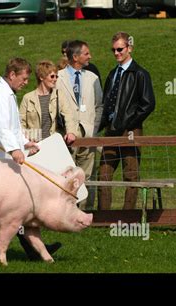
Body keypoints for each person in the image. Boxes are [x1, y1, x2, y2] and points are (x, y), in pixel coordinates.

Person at [0, 57, 62, 262]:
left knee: (14, 208)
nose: (26, 82)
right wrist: (15, 150)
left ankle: (34, 249)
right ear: (12, 74)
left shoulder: (6, 93)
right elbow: (1, 126)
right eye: (23, 78)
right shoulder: (0, 93)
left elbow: (11, 128)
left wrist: (25, 143)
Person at [97, 32, 155, 211]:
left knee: (131, 175)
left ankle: (128, 215)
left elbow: (148, 104)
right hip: (111, 130)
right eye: (113, 50)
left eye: (120, 49)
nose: (116, 53)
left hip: (130, 131)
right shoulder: (113, 73)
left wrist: (129, 123)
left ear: (129, 48)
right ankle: (103, 217)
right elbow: (107, 103)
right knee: (103, 175)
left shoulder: (140, 73)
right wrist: (101, 126)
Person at [56, 40, 104, 210]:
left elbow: (99, 106)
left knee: (87, 174)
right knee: (66, 174)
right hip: (66, 135)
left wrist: (93, 128)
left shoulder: (93, 78)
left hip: (88, 134)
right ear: (75, 57)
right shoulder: (58, 77)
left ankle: (85, 211)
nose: (90, 56)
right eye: (86, 53)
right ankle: (64, 211)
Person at [19, 60, 78, 144]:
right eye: (52, 76)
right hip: (34, 145)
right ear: (41, 77)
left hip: (54, 143)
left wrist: (71, 132)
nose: (55, 79)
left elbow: (68, 115)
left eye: (56, 77)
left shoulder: (59, 95)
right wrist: (26, 139)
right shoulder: (27, 98)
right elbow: (21, 122)